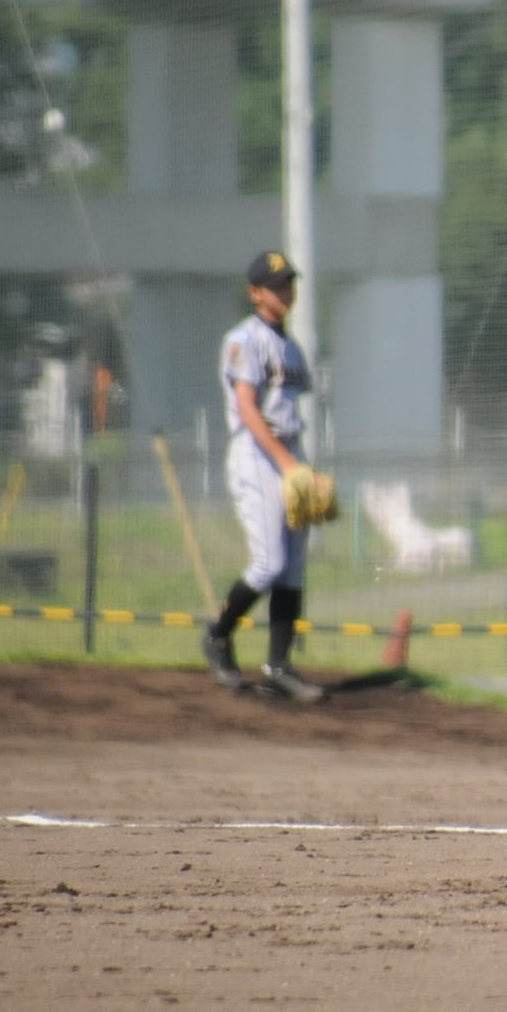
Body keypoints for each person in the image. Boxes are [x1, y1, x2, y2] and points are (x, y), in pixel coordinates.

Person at [200, 250, 324, 703]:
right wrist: (288, 464)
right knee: (269, 563)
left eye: (288, 282)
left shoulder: (290, 346)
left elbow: (290, 406)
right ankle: (217, 636)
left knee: (291, 568)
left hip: (288, 450)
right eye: (275, 285)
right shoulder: (244, 339)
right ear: (255, 293)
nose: (285, 291)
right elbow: (249, 410)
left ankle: (279, 666)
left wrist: (300, 463)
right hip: (256, 453)